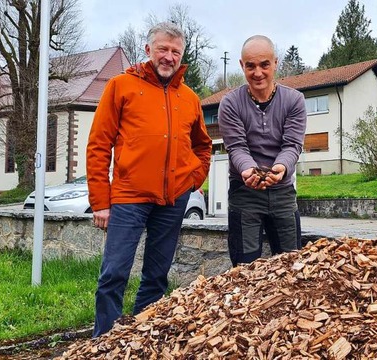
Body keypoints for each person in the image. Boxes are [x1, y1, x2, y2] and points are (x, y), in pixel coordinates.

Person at [86, 22, 212, 337]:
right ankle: (105, 342)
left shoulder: (190, 97)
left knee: (156, 277)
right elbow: (99, 144)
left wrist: (194, 178)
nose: (168, 57)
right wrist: (100, 201)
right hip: (129, 197)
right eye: (162, 49)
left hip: (172, 200)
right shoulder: (121, 86)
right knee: (114, 274)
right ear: (148, 50)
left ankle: (142, 338)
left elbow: (203, 145)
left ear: (181, 55)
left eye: (175, 51)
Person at [218, 35, 306, 266]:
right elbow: (236, 146)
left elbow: (292, 145)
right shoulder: (230, 103)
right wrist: (249, 170)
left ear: (275, 63)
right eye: (251, 66)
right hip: (244, 193)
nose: (258, 72)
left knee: (291, 265)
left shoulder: (295, 100)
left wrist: (280, 168)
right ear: (242, 65)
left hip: (283, 191)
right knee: (244, 269)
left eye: (264, 64)